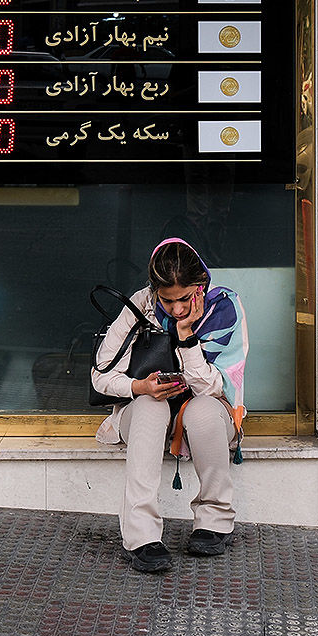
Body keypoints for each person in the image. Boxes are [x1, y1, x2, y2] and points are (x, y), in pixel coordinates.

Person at [92, 238, 247, 573]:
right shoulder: (141, 305)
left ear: (201, 284)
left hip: (207, 416)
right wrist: (139, 386)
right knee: (150, 405)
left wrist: (187, 337)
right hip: (146, 418)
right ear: (154, 290)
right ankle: (142, 537)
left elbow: (214, 386)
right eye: (167, 300)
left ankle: (215, 521)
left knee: (202, 408)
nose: (176, 309)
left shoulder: (224, 307)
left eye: (185, 298)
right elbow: (100, 375)